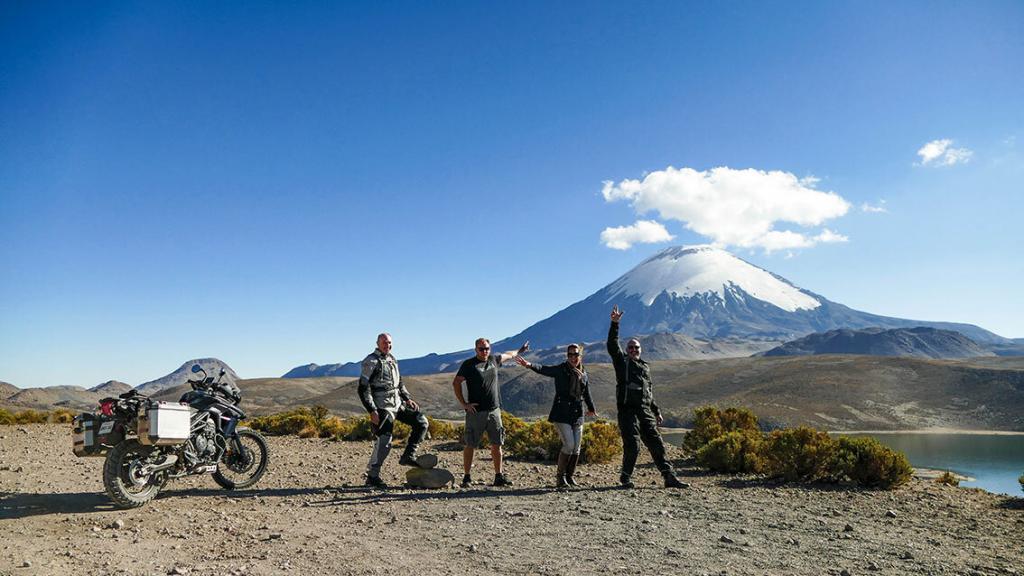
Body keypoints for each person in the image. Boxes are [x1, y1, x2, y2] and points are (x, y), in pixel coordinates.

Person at [607, 306, 687, 489]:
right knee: (633, 445)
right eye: (631, 347)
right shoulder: (622, 363)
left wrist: (656, 411)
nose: (633, 350)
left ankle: (669, 477)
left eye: (636, 347)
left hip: (644, 411)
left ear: (640, 350)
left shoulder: (645, 367)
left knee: (656, 443)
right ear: (626, 350)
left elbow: (648, 392)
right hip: (627, 410)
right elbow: (612, 345)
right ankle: (625, 477)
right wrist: (615, 324)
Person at [515, 344, 597, 488]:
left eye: (576, 355)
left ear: (580, 356)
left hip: (577, 413)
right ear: (567, 356)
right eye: (570, 355)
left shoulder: (584, 372)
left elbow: (587, 392)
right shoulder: (561, 369)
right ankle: (560, 478)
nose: (573, 357)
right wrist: (529, 365)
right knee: (569, 445)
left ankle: (569, 477)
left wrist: (591, 408)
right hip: (561, 413)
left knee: (576, 447)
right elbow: (545, 369)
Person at [452, 338, 528, 488]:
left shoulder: (494, 360)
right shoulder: (468, 365)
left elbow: (509, 354)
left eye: (487, 348)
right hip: (476, 412)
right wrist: (464, 404)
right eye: (481, 349)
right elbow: (456, 382)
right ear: (475, 349)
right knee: (470, 444)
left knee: (497, 444)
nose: (484, 351)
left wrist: (520, 351)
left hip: (494, 410)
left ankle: (498, 476)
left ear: (490, 348)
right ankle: (467, 477)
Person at [357, 333, 429, 489]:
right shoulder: (370, 361)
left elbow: (399, 382)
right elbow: (363, 388)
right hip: (382, 405)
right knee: (385, 441)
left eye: (389, 343)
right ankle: (372, 476)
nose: (387, 345)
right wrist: (372, 410)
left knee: (422, 422)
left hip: (398, 403)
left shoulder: (393, 359)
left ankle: (409, 455)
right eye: (384, 342)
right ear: (377, 343)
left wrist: (407, 398)